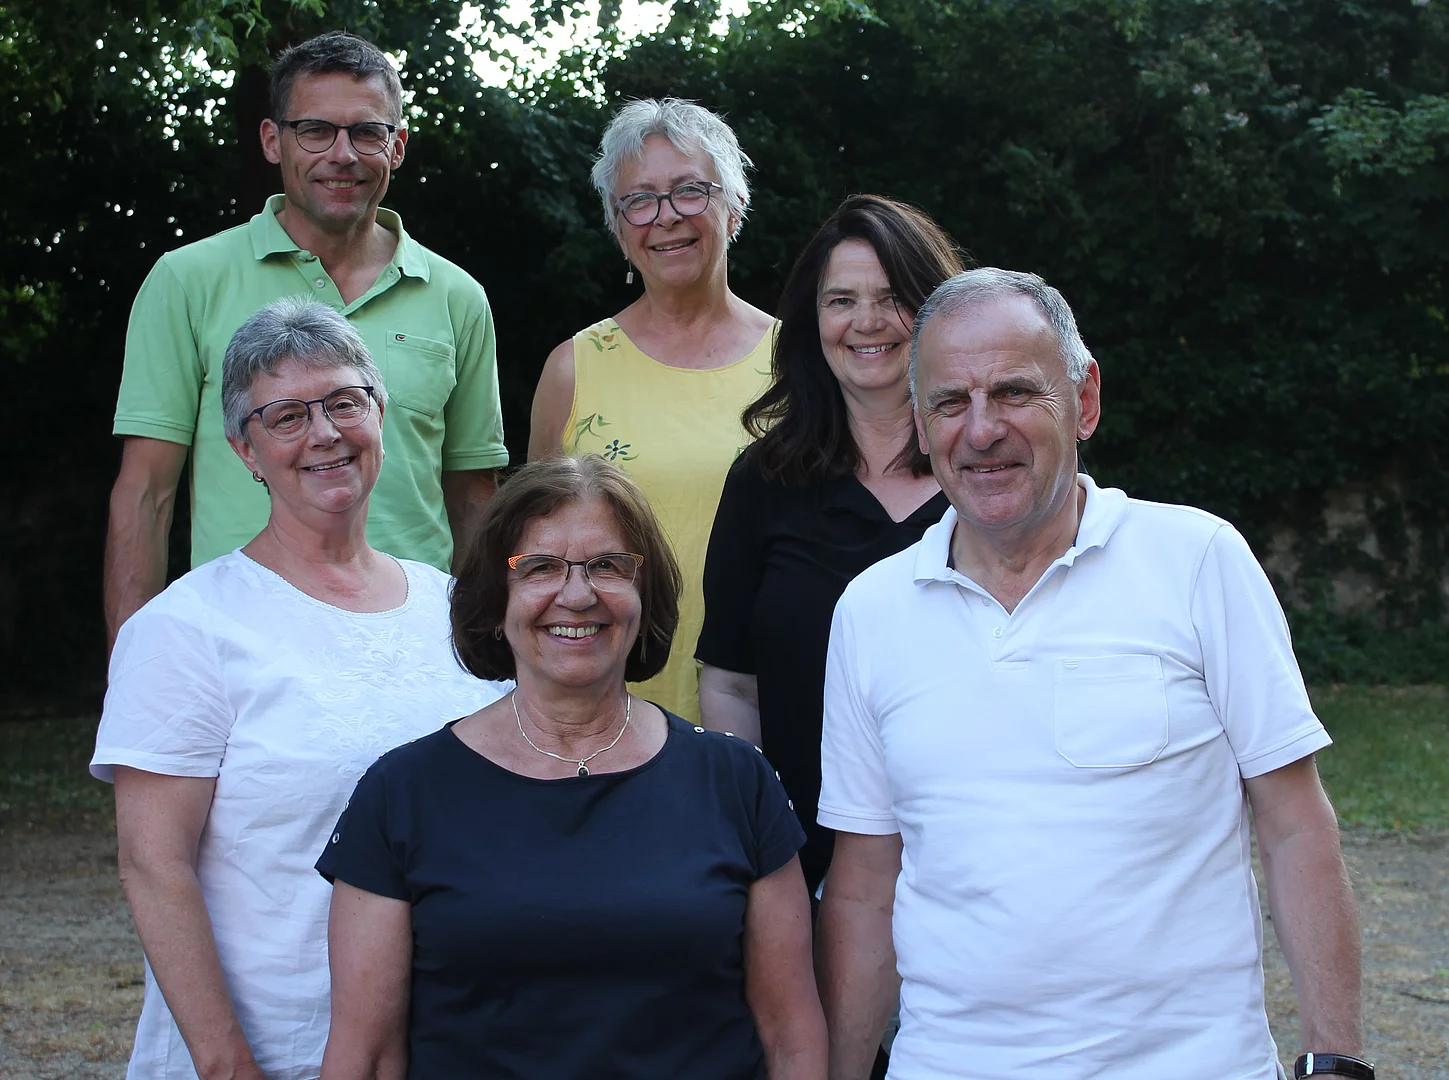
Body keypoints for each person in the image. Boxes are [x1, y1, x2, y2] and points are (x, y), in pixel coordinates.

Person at [815, 269, 1367, 1079]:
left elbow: (1294, 826)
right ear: (921, 426)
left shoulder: (1196, 561)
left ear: (1084, 401)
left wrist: (1336, 1062)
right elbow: (865, 888)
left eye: (1013, 392)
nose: (981, 430)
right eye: (950, 402)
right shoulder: (871, 611)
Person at [91, 298, 507, 1080]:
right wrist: (229, 1066)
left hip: (453, 1044)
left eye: (344, 402)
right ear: (244, 451)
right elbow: (153, 866)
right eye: (285, 416)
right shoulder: (187, 628)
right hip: (278, 1049)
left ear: (380, 413)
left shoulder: (455, 610)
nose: (324, 433)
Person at [317, 454, 827, 1080]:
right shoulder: (402, 793)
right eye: (540, 568)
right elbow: (366, 1057)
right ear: (494, 598)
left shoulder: (737, 781)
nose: (578, 595)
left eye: (608, 566)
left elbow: (791, 1040)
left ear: (644, 594)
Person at [105, 30, 507, 651]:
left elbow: (474, 497)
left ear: (397, 146)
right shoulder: (187, 281)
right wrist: (131, 671)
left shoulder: (458, 296)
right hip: (241, 644)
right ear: (273, 140)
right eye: (315, 130)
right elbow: (146, 496)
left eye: (367, 132)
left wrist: (486, 655)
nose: (342, 154)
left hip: (417, 646)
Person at [697, 195, 964, 896]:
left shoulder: (991, 473)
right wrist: (761, 838)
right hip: (807, 869)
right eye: (841, 300)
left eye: (892, 297)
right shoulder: (763, 482)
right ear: (811, 320)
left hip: (978, 864)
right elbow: (729, 683)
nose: (865, 321)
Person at [528, 98, 776, 722]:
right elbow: (533, 559)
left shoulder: (799, 363)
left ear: (734, 207)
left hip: (775, 696)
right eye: (639, 201)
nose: (666, 216)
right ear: (618, 229)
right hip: (608, 707)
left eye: (690, 191)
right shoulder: (573, 369)